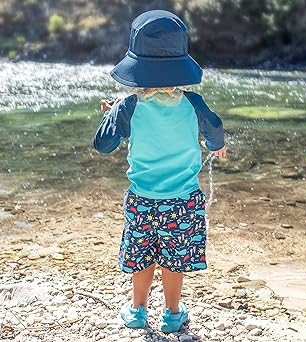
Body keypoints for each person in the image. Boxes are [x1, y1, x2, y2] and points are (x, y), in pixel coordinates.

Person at [93, 10, 226, 333]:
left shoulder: (130, 106)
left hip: (142, 201)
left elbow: (103, 145)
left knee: (142, 255)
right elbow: (215, 129)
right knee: (174, 259)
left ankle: (138, 311)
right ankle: (172, 314)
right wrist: (214, 145)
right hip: (182, 201)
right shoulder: (193, 104)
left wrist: (113, 115)